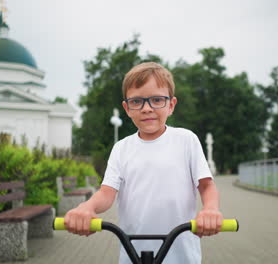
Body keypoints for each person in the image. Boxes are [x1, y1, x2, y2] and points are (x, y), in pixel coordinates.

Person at [64, 62, 223, 263]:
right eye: (137, 101)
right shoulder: (121, 148)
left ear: (171, 105)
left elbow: (207, 185)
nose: (147, 108)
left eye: (157, 100)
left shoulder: (186, 140)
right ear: (127, 108)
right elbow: (106, 193)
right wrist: (87, 208)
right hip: (133, 255)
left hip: (182, 255)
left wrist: (210, 209)